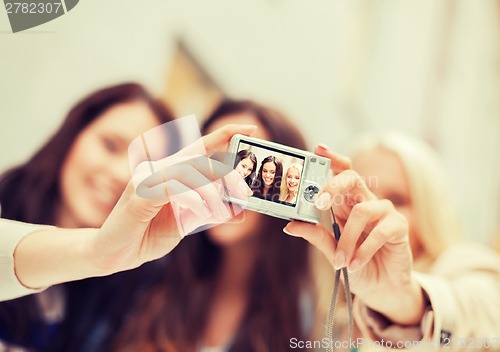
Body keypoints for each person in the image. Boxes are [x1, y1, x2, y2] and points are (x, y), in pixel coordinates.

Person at [0, 84, 255, 351]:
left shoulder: (110, 300)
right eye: (110, 145)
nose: (122, 174)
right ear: (74, 134)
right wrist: (96, 251)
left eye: (142, 168)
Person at [110, 99, 315, 352]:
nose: (221, 180)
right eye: (213, 159)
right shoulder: (154, 266)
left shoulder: (296, 314)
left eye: (244, 168)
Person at [284, 132, 500, 350]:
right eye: (358, 198)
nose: (372, 211)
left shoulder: (466, 264)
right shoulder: (324, 302)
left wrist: (404, 303)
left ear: (430, 211)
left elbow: (484, 319)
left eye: (397, 200)